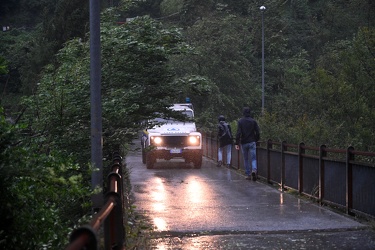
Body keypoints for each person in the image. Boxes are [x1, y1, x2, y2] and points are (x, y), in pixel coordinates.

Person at [235, 107, 260, 181]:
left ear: (243, 113)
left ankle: (248, 174)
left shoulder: (240, 121)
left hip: (244, 142)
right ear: (249, 113)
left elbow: (238, 133)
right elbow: (258, 132)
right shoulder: (253, 121)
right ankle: (254, 170)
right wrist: (256, 139)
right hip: (252, 141)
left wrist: (237, 143)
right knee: (253, 158)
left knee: (246, 159)